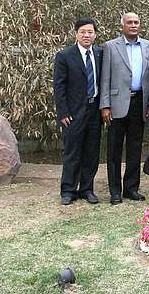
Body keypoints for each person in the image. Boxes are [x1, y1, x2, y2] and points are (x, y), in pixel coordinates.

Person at [100, 12, 149, 205]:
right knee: (114, 149)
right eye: (129, 22)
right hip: (116, 104)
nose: (133, 25)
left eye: (136, 22)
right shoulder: (110, 46)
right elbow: (105, 77)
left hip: (139, 103)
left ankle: (131, 188)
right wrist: (105, 105)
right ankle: (115, 191)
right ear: (122, 25)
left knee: (135, 147)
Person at [53, 18, 103, 206]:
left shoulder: (99, 54)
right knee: (72, 151)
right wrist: (63, 112)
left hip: (94, 110)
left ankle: (87, 189)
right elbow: (59, 86)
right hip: (73, 113)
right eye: (83, 32)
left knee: (91, 151)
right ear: (76, 33)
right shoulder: (65, 55)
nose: (87, 35)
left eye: (90, 32)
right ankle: (68, 190)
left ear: (95, 34)